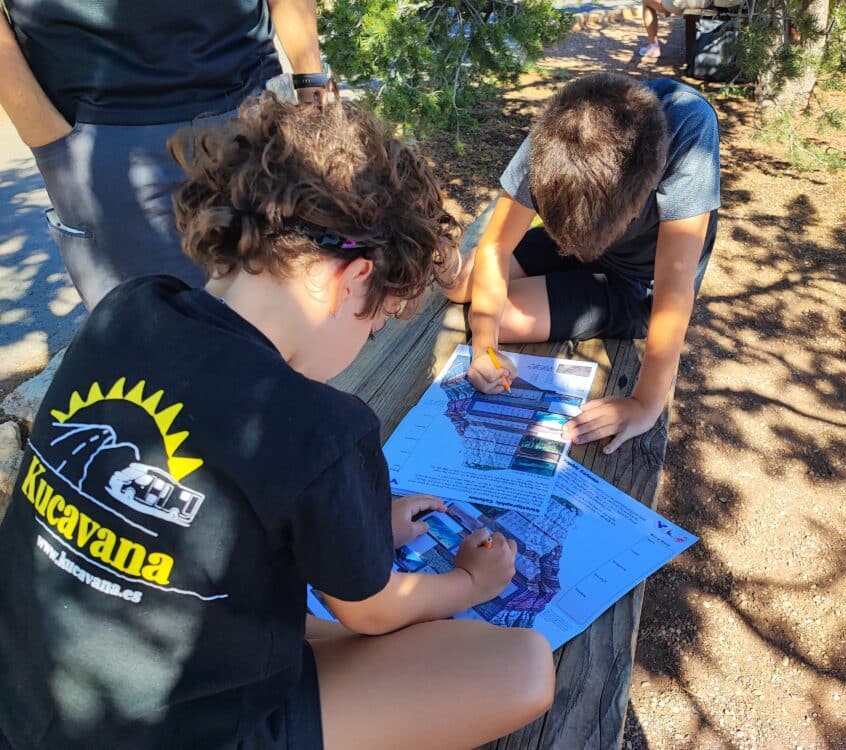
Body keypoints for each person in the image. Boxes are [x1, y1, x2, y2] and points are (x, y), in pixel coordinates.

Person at [0, 93, 554, 750]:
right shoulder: (318, 426)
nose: (365, 342)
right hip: (165, 733)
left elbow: (207, 516)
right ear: (349, 281)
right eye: (375, 328)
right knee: (521, 667)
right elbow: (372, 612)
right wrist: (469, 581)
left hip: (26, 698)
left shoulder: (126, 311)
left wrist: (364, 526)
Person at [444, 73, 720, 455]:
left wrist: (645, 404)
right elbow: (495, 248)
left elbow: (675, 286)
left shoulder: (689, 127)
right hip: (577, 237)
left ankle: (575, 281)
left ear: (640, 199)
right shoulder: (561, 131)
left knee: (501, 315)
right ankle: (564, 262)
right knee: (463, 284)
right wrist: (484, 347)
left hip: (640, 284)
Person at [0, 0, 330, 309]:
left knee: (291, 337)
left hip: (259, 111)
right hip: (103, 137)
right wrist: (47, 136)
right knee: (152, 348)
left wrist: (312, 89)